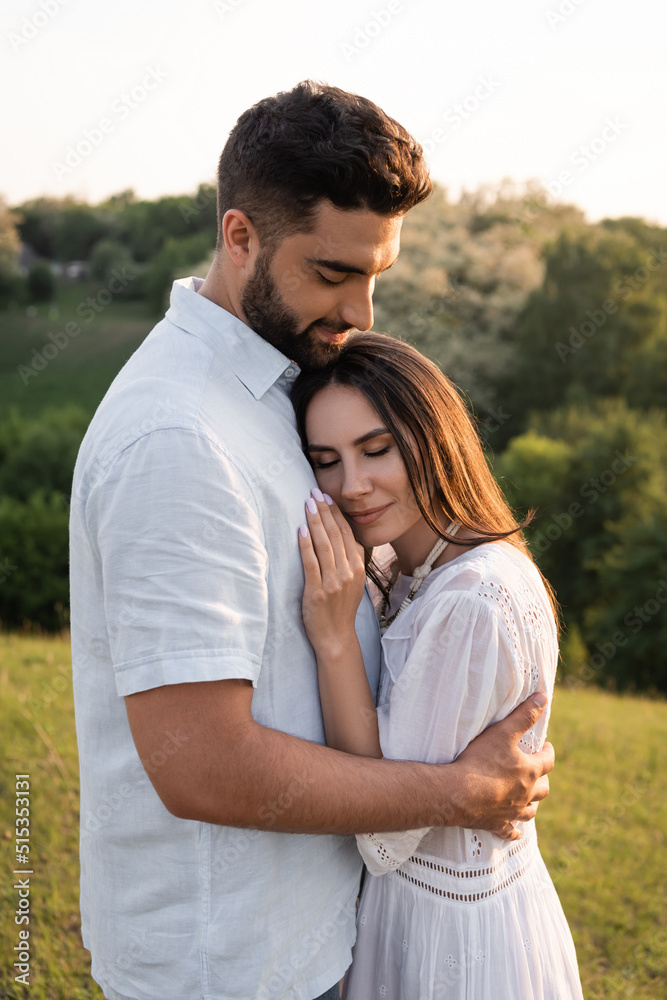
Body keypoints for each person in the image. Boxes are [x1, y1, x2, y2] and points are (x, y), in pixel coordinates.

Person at [70, 81, 555, 1000]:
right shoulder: (179, 436)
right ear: (239, 236)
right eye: (333, 274)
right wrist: (460, 792)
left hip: (311, 938)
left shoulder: (273, 388)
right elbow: (200, 764)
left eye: (376, 277)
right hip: (233, 966)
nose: (362, 311)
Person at [292, 331, 584, 999]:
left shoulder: (471, 599)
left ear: (433, 437)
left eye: (376, 449)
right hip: (432, 912)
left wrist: (334, 637)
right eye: (325, 460)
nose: (351, 486)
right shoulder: (407, 565)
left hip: (447, 942)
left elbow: (384, 841)